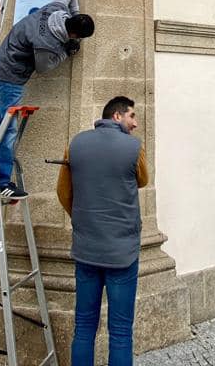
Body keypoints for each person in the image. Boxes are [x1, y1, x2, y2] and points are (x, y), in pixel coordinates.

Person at [57, 95, 148, 366]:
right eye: (132, 116)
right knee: (120, 332)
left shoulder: (75, 144)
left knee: (83, 327)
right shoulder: (134, 147)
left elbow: (63, 191)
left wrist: (83, 220)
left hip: (86, 249)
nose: (136, 123)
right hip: (122, 253)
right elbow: (143, 180)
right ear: (117, 116)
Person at [0, 0, 93, 200]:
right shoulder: (48, 44)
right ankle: (1, 183)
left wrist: (75, 14)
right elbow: (44, 67)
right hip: (11, 74)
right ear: (73, 34)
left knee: (0, 125)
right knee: (8, 128)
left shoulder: (55, 8)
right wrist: (67, 50)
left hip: (4, 58)